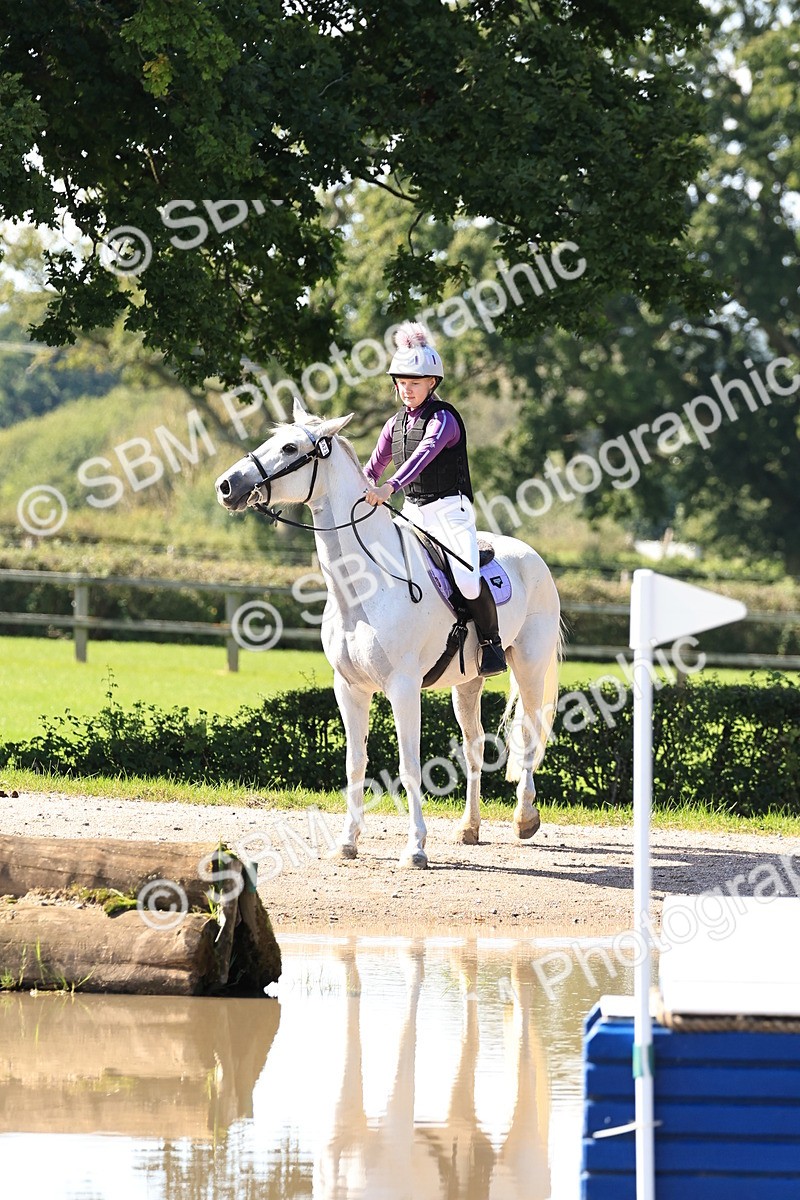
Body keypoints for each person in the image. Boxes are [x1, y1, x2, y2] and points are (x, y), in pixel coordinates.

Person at [363, 321, 507, 676]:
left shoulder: (444, 420)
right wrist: (361, 488)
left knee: (469, 580)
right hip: (412, 512)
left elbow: (422, 457)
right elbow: (373, 466)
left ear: (432, 383)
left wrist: (389, 488)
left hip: (449, 513)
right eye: (401, 383)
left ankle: (491, 643)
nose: (406, 390)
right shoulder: (393, 425)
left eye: (414, 383)